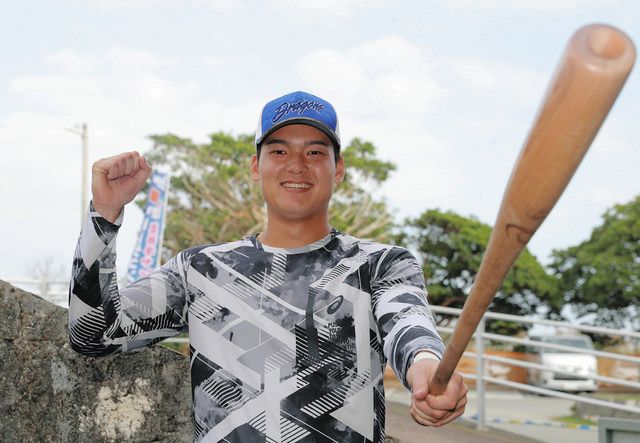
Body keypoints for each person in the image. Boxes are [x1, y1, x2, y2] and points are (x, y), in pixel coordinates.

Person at [69, 91, 468, 442]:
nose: (296, 164)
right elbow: (94, 335)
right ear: (256, 167)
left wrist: (427, 370)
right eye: (279, 150)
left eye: (314, 152)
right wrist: (104, 215)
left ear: (338, 169)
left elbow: (409, 324)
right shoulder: (201, 270)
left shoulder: (380, 264)